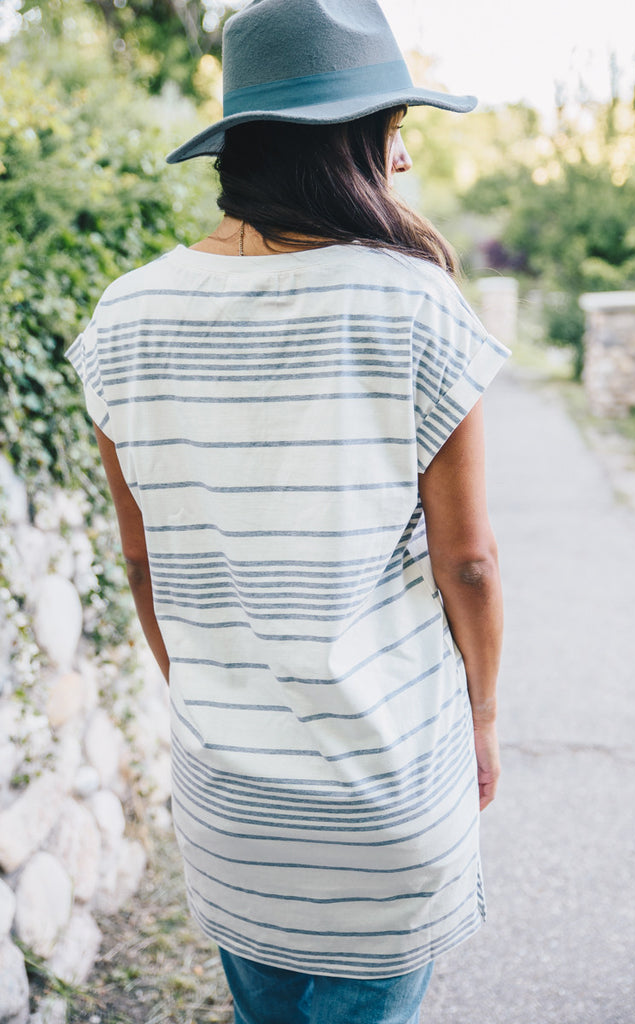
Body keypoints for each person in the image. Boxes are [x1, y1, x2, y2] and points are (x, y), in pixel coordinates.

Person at [67, 1, 510, 1021]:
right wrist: (483, 718)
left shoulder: (125, 314)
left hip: (232, 804)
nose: (402, 159)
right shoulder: (414, 302)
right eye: (395, 127)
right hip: (384, 790)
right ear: (361, 140)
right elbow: (471, 564)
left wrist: (221, 702)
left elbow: (145, 569)